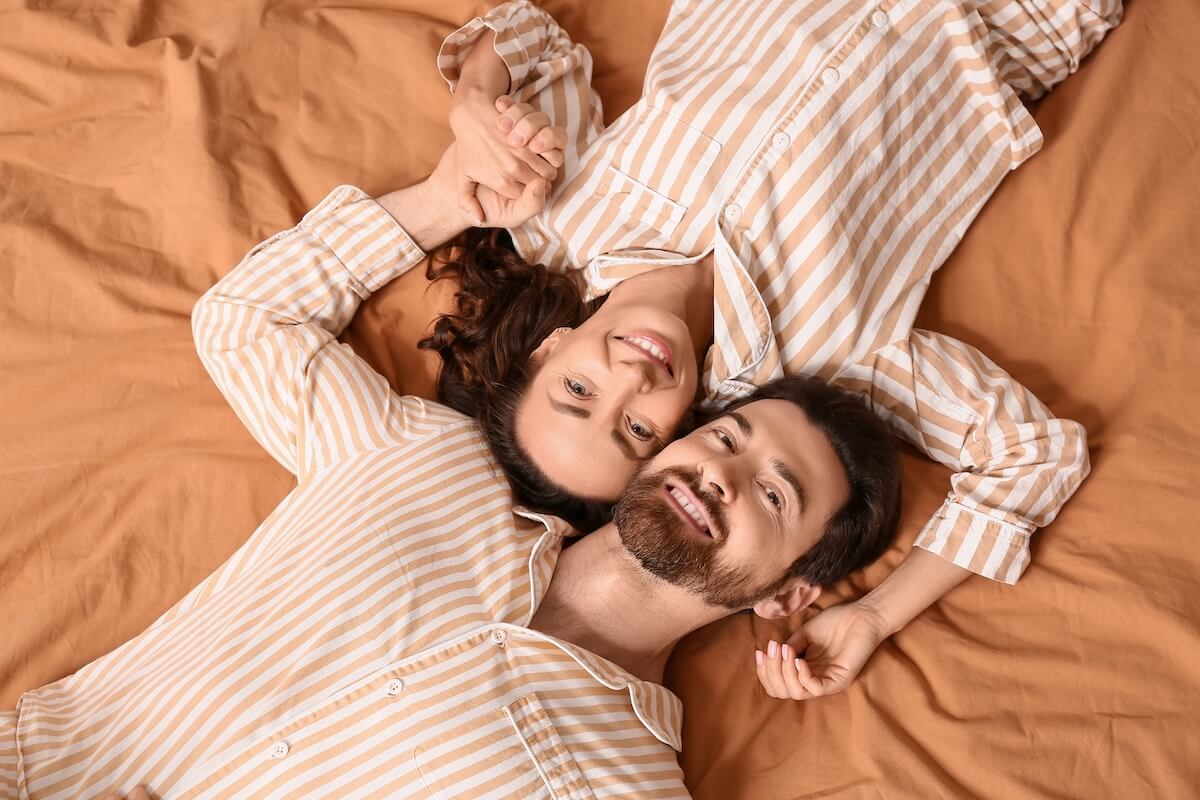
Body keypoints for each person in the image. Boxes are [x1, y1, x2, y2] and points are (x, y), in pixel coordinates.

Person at [0, 181, 900, 799]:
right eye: (724, 439)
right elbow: (250, 320)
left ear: (789, 592)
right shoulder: (429, 458)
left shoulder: (626, 782)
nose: (721, 477)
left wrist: (878, 614)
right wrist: (450, 192)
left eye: (776, 497)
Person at [411, 0, 1122, 699]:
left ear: (549, 348)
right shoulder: (828, 364)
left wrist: (474, 105)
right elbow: (1031, 455)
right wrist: (875, 616)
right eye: (636, 429)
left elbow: (534, 39)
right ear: (674, 436)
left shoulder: (558, 213)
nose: (630, 378)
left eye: (578, 391)